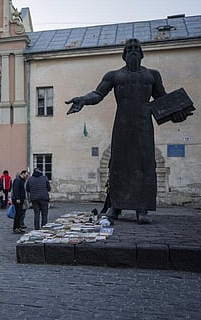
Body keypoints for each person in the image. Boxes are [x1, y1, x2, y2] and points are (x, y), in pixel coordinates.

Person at [65, 38, 188, 224]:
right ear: (124, 54)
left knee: (145, 164)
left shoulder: (152, 75)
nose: (133, 51)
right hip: (122, 124)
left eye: (136, 48)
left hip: (144, 125)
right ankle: (115, 207)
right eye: (129, 48)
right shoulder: (114, 75)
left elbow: (163, 99)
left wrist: (178, 113)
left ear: (141, 53)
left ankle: (142, 209)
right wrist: (83, 99)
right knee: (118, 165)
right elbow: (98, 94)